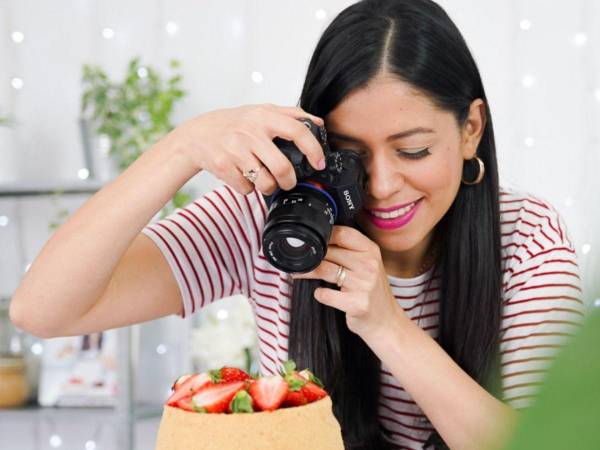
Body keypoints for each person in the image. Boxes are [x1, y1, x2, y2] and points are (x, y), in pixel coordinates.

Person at [10, 0, 585, 449]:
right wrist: (180, 148)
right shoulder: (270, 217)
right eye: (351, 155)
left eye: (412, 151)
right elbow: (44, 310)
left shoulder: (527, 239)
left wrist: (387, 326)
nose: (383, 186)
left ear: (470, 129)